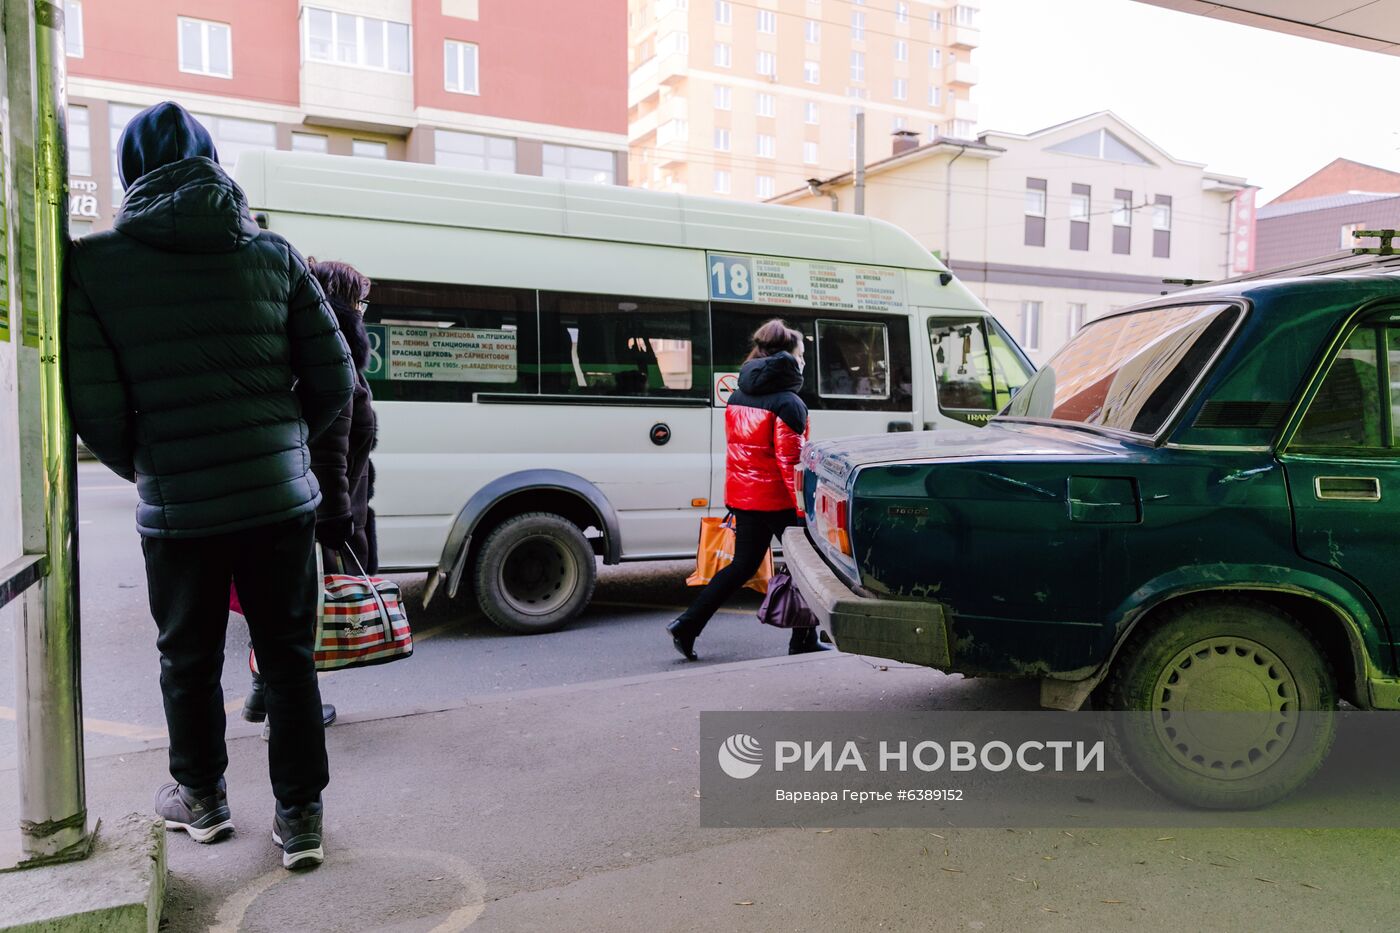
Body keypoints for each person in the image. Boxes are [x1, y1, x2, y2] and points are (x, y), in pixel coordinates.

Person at [64, 101, 355, 870]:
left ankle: (204, 799)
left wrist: (152, 462)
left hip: (180, 509)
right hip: (278, 502)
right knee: (288, 656)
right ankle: (300, 819)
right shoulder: (273, 254)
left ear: (130, 172)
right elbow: (336, 381)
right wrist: (286, 444)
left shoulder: (92, 265)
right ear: (213, 160)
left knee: (186, 659)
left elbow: (92, 404)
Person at [242, 259, 379, 730]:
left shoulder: (299, 347)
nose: (364, 309)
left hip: (293, 504)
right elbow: (329, 451)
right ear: (343, 301)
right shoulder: (334, 355)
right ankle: (286, 713)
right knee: (307, 617)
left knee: (286, 610)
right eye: (361, 299)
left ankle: (265, 693)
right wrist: (338, 521)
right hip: (317, 513)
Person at [667, 319, 828, 659]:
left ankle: (687, 625)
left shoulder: (739, 393)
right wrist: (803, 508)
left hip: (745, 496)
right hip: (778, 500)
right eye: (801, 354)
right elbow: (790, 463)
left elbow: (739, 450)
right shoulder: (788, 403)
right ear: (789, 357)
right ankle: (801, 639)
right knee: (806, 563)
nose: (803, 360)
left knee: (741, 566)